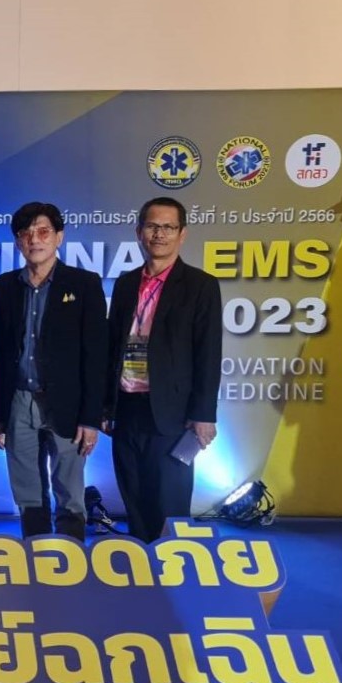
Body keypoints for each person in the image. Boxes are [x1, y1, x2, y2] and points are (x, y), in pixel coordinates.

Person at [103, 196, 223, 543]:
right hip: (127, 407)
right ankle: (142, 563)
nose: (159, 234)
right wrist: (105, 407)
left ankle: (174, 567)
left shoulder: (201, 285)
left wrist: (203, 414)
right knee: (134, 495)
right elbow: (112, 346)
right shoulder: (126, 283)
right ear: (139, 232)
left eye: (168, 227)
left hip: (173, 413)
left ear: (182, 234)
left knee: (170, 501)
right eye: (152, 226)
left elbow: (208, 353)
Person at [0, 202, 107, 540]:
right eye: (26, 234)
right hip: (18, 402)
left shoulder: (84, 284)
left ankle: (71, 557)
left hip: (68, 405)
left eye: (43, 232)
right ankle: (35, 554)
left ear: (59, 237)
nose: (34, 240)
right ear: (17, 241)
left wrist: (91, 418)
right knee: (27, 490)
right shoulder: (5, 286)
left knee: (70, 490)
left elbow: (96, 356)